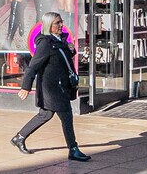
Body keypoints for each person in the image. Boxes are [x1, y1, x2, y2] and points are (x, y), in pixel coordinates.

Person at [12, 12, 89, 162]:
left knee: (45, 114)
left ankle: (19, 138)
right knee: (66, 115)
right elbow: (32, 67)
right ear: (49, 26)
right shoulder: (45, 43)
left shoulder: (59, 40)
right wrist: (25, 87)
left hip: (60, 85)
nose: (61, 25)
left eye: (61, 22)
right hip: (53, 88)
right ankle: (73, 149)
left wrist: (70, 49)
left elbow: (62, 58)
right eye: (57, 23)